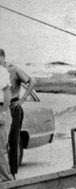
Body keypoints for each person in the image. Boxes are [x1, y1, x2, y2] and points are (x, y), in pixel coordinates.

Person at [1, 48, 37, 177]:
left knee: (12, 141)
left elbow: (32, 81)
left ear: (3, 57)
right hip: (2, 107)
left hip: (13, 106)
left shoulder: (13, 69)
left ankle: (13, 174)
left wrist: (23, 99)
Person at [0, 61, 12, 182]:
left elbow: (7, 93)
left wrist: (3, 112)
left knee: (0, 149)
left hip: (0, 109)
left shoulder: (1, 72)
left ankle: (7, 180)